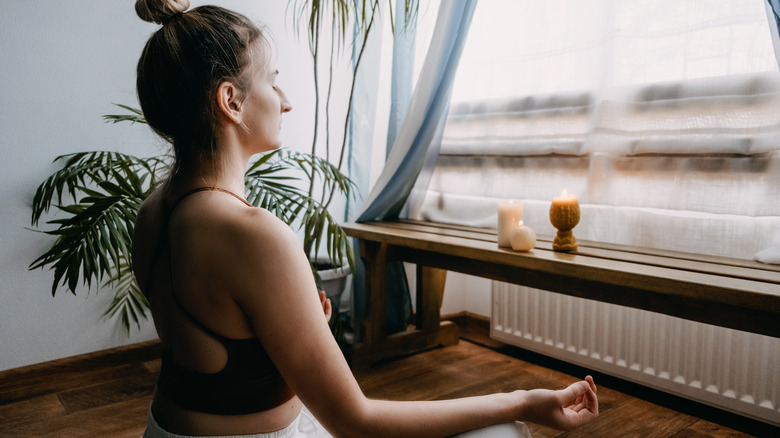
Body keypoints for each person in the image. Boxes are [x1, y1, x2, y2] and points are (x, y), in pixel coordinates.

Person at [131, 1, 600, 437]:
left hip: (166, 427)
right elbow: (356, 421)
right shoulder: (252, 233)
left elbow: (211, 353)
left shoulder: (153, 212)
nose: (286, 99)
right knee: (506, 433)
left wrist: (289, 321)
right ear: (231, 101)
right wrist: (520, 401)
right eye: (272, 81)